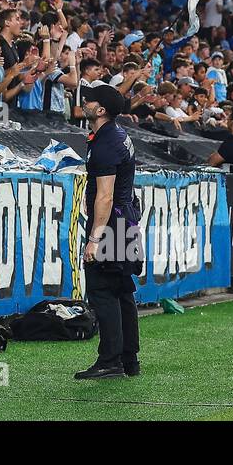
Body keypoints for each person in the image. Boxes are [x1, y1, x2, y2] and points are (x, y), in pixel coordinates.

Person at [76, 83, 141, 381]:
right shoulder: (117, 135)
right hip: (125, 219)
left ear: (100, 110)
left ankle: (110, 361)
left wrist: (94, 239)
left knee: (103, 290)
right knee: (122, 289)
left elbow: (105, 196)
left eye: (89, 100)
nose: (84, 101)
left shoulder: (105, 143)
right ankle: (129, 359)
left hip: (112, 223)